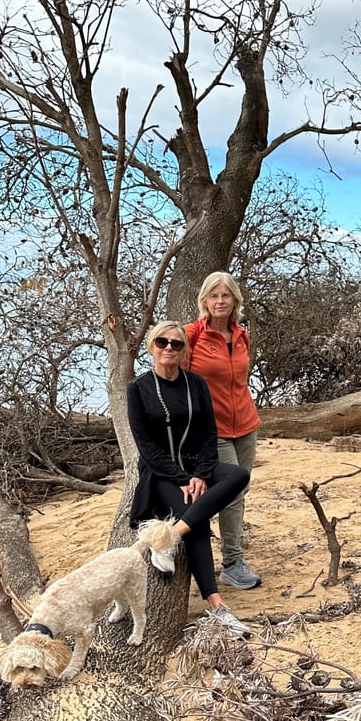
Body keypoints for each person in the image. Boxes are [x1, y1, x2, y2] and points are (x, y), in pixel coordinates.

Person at [127, 321, 252, 634]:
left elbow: (210, 432)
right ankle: (217, 606)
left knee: (237, 475)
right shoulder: (138, 389)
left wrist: (200, 474)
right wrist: (182, 478)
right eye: (162, 342)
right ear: (152, 347)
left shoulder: (196, 383)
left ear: (184, 351)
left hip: (197, 465)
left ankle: (172, 535)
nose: (169, 348)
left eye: (176, 344)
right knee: (195, 514)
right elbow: (145, 446)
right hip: (161, 472)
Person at [184, 271, 263, 590]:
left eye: (225, 295)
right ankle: (231, 562)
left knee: (240, 492)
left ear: (235, 300)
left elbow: (240, 381)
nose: (220, 301)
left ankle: (232, 558)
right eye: (214, 295)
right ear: (204, 300)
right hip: (211, 431)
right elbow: (177, 382)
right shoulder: (191, 335)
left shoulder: (242, 335)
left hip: (246, 425)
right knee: (229, 493)